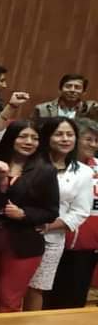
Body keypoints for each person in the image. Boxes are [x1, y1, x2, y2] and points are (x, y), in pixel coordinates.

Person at [0, 119, 57, 314]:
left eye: (34, 138)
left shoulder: (45, 170)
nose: (29, 141)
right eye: (23, 136)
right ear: (11, 139)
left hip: (23, 243)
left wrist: (24, 214)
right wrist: (1, 179)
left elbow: (52, 211)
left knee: (8, 299)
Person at [22, 118, 90, 311]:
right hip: (21, 231)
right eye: (59, 134)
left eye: (70, 135)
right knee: (12, 286)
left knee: (37, 288)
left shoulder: (83, 172)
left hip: (52, 238)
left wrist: (49, 226)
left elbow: (80, 211)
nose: (65, 139)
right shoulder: (31, 162)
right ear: (47, 137)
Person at [46, 118, 98, 309]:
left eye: (96, 140)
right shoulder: (53, 164)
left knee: (75, 298)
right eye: (88, 139)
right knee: (44, 293)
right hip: (55, 239)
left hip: (86, 246)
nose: (93, 144)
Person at [32, 74, 98, 121]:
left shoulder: (91, 109)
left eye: (77, 87)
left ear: (84, 92)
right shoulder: (42, 109)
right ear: (60, 90)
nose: (72, 90)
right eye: (68, 86)